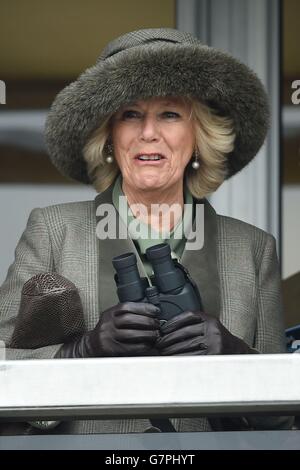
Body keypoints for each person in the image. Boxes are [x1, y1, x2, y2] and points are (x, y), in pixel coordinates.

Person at [0, 28, 293, 433]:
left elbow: (283, 416)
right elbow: (3, 369)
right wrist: (80, 352)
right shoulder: (53, 230)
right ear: (109, 137)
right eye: (130, 115)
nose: (148, 132)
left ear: (199, 136)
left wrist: (234, 353)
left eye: (170, 114)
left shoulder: (252, 247)